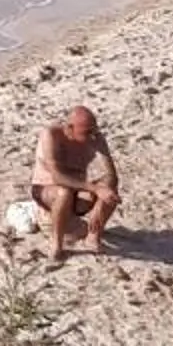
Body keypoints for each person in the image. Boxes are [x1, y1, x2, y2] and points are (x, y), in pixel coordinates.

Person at [27, 105, 119, 259]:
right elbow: (58, 176)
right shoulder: (52, 135)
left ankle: (93, 237)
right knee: (64, 192)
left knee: (109, 188)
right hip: (47, 192)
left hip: (76, 194)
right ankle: (56, 245)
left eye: (93, 130)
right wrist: (95, 189)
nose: (91, 136)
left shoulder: (95, 139)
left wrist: (100, 204)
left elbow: (112, 176)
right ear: (70, 128)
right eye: (86, 132)